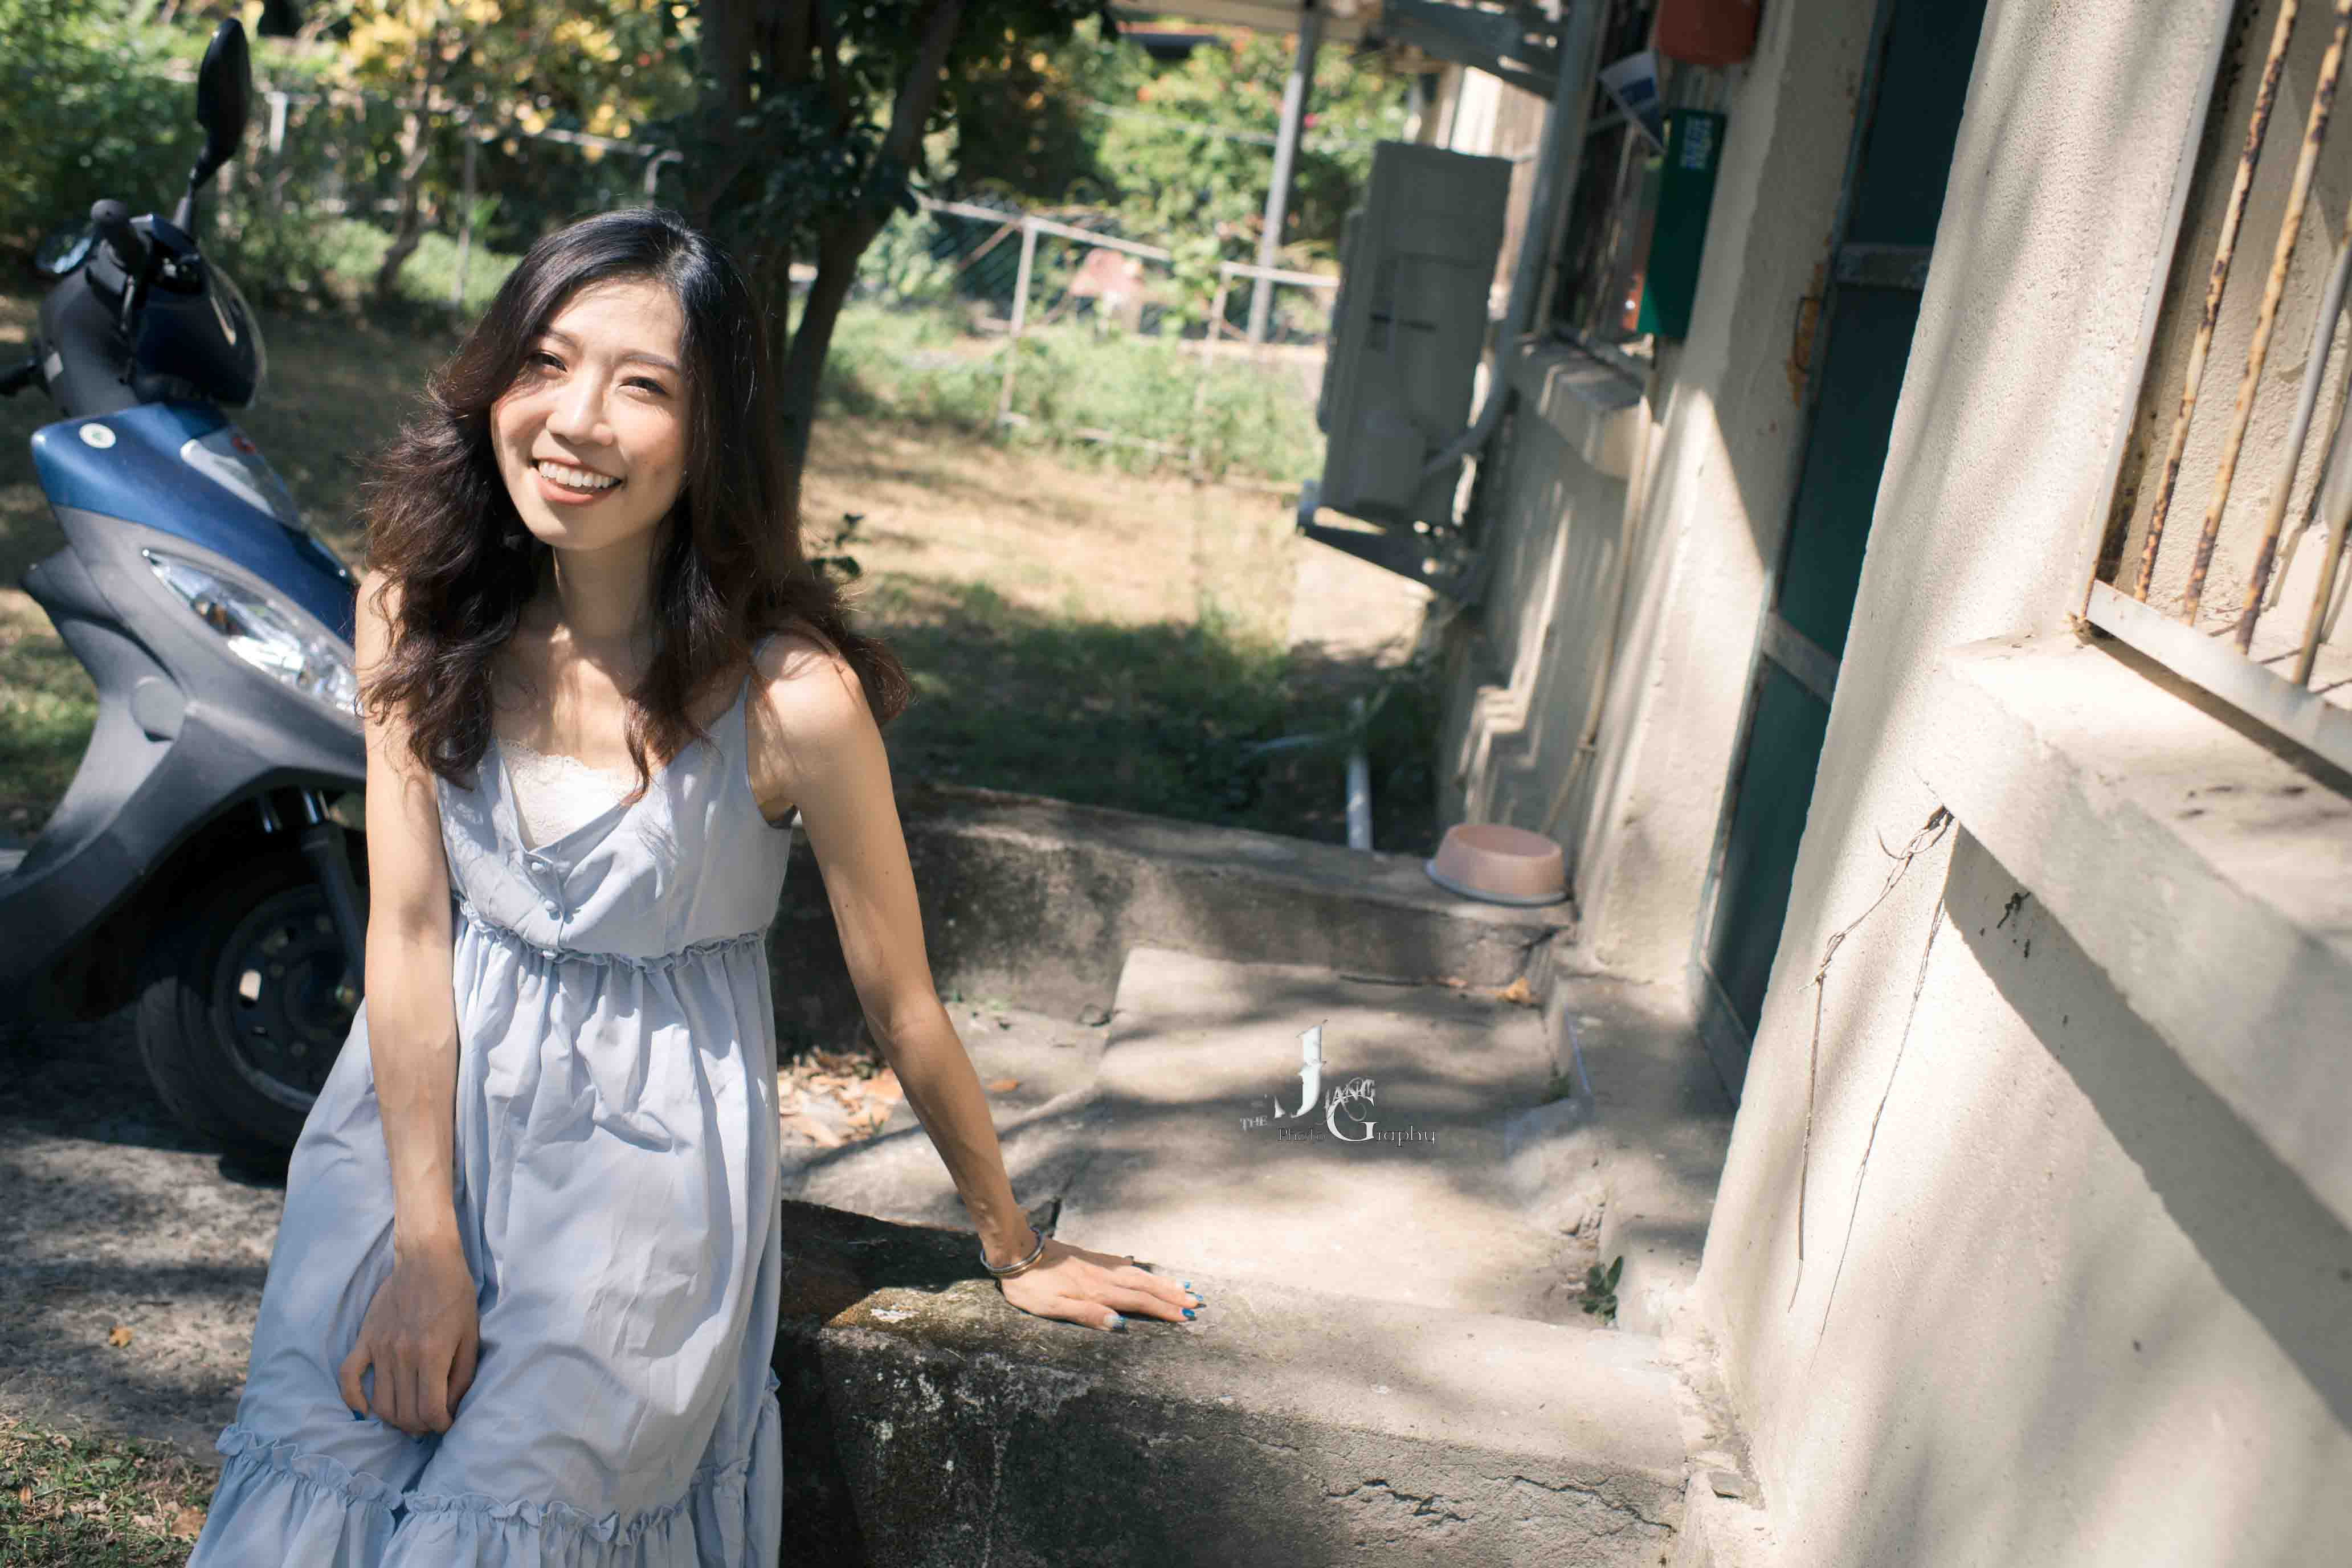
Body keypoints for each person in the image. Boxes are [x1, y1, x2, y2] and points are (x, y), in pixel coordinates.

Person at [185, 206, 1200, 1565]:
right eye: (546, 362)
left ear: (712, 431)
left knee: (503, 1534)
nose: (575, 420)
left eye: (643, 385)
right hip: (409, 1135)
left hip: (640, 1178)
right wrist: (424, 1245)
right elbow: (412, 938)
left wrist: (1014, 1245)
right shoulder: (415, 611)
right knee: (308, 1495)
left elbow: (901, 1004)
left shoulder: (794, 700)